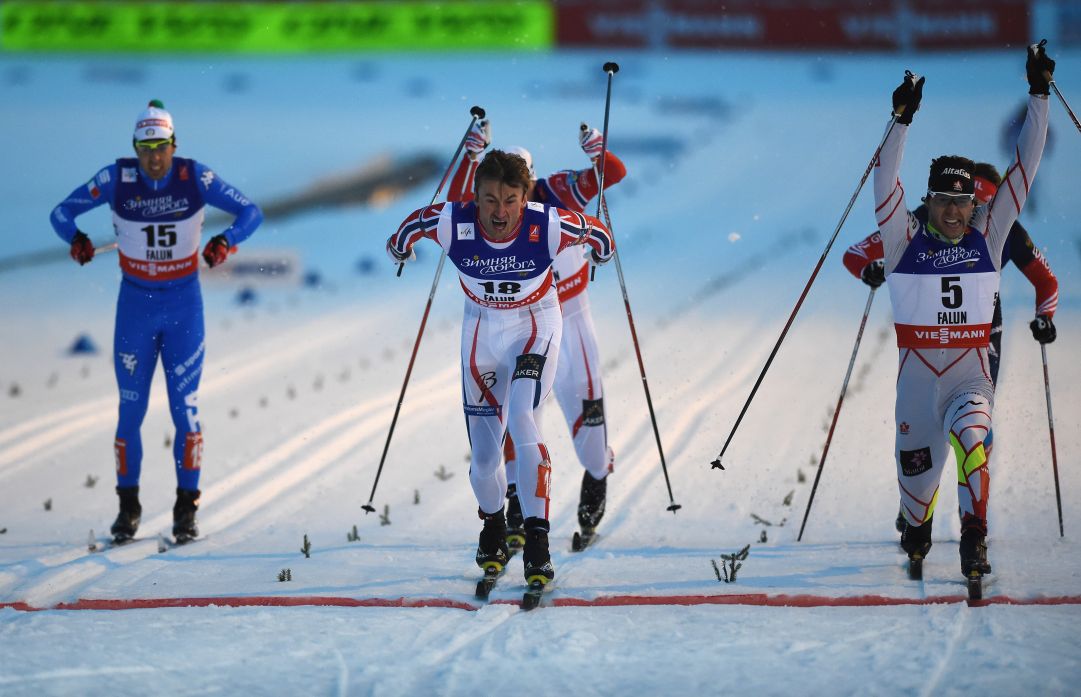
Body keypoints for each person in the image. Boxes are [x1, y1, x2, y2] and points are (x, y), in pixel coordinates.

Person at [386, 149, 614, 589]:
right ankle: (492, 526)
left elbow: (598, 234)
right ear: (476, 196)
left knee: (525, 417)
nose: (500, 212)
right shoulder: (453, 222)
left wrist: (601, 255)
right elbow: (411, 225)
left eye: (511, 200)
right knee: (485, 458)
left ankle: (537, 541)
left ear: (524, 197)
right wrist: (398, 249)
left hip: (536, 326)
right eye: (490, 200)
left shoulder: (546, 224)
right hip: (482, 333)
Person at [870, 43, 1053, 581]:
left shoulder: (989, 237)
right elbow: (884, 182)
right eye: (942, 201)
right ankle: (918, 526)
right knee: (915, 504)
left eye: (962, 201)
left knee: (976, 444)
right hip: (916, 394)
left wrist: (1038, 93)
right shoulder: (902, 240)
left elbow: (1025, 166)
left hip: (968, 382)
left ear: (975, 204)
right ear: (928, 203)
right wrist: (900, 122)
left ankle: (975, 536)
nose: (954, 211)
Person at [49, 100, 263, 544]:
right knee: (130, 412)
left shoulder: (193, 177)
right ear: (135, 147)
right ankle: (128, 509)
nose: (153, 158)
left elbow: (251, 213)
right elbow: (60, 213)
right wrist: (77, 240)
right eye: (145, 148)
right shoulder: (117, 178)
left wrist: (226, 240)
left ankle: (186, 509)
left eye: (161, 147)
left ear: (173, 144)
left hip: (184, 308)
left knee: (185, 411)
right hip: (136, 308)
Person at [844, 162, 1059, 532]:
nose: (968, 220)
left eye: (981, 209)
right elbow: (855, 253)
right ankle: (918, 501)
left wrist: (1046, 317)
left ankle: (971, 499)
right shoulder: (921, 220)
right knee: (923, 421)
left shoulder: (1007, 228)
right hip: (929, 332)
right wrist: (870, 269)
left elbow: (1046, 280)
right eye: (968, 206)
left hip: (983, 327)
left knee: (977, 418)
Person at [447, 119, 626, 549]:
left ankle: (597, 475)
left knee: (586, 414)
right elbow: (454, 209)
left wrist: (598, 149)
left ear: (530, 181)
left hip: (571, 319)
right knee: (517, 417)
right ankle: (513, 504)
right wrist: (469, 155)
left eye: (521, 185)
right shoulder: (492, 210)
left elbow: (614, 174)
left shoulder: (559, 193)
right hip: (523, 325)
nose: (507, 205)